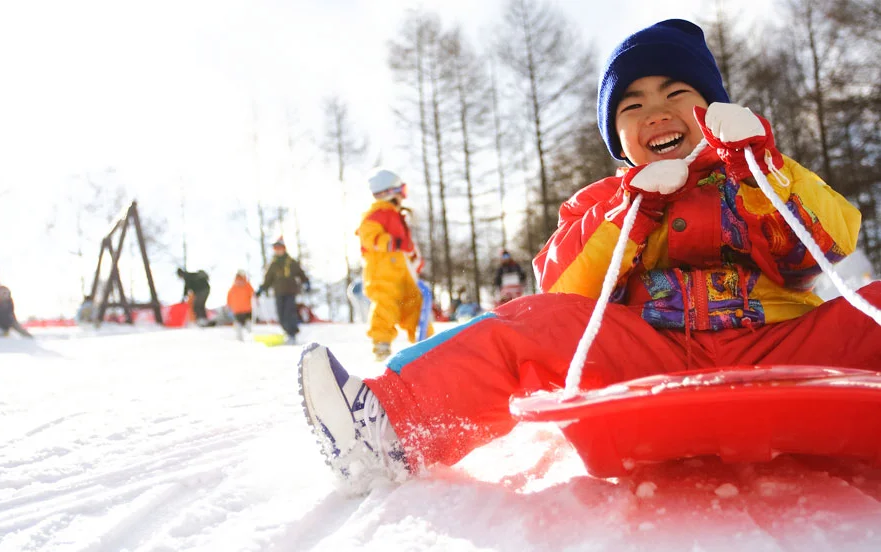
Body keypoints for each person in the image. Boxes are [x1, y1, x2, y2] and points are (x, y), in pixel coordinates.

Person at [297, 19, 881, 495]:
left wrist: (764, 170)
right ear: (617, 138)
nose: (656, 111)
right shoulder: (602, 202)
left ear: (715, 110)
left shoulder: (759, 170)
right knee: (530, 322)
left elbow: (829, 246)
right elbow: (564, 290)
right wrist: (631, 215)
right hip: (650, 355)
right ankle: (392, 427)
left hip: (778, 344)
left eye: (677, 93)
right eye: (632, 105)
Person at [356, 168, 432, 361]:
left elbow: (407, 247)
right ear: (389, 192)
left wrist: (415, 259)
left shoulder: (398, 217)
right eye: (402, 192)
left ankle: (428, 345)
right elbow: (367, 235)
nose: (403, 197)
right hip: (382, 275)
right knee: (385, 308)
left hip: (403, 276)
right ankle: (381, 346)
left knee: (415, 306)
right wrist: (388, 242)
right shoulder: (376, 214)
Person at [256, 238, 309, 345]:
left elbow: (300, 273)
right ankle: (287, 332)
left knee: (289, 312)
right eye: (275, 248)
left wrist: (306, 282)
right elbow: (268, 279)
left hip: (290, 291)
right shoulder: (273, 264)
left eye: (279, 248)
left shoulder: (291, 262)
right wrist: (262, 289)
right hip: (278, 293)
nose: (277, 250)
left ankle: (292, 334)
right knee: (281, 315)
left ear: (284, 249)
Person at [226, 270, 254, 341]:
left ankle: (240, 339)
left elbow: (229, 300)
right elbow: (252, 294)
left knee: (239, 325)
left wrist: (229, 307)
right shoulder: (247, 285)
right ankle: (251, 337)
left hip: (237, 310)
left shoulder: (232, 288)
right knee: (248, 324)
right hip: (247, 309)